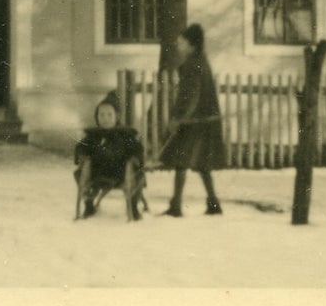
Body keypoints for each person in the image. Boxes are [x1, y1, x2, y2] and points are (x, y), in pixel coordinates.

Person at [159, 23, 226, 216]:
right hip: (205, 121)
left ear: (191, 45)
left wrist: (178, 119)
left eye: (181, 42)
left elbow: (191, 96)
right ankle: (213, 203)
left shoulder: (191, 65)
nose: (177, 45)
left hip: (194, 122)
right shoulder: (201, 62)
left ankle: (176, 206)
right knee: (202, 163)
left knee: (181, 161)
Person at [73, 91, 146, 219]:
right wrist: (81, 155)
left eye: (109, 115)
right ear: (97, 117)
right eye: (101, 115)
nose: (105, 118)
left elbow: (137, 148)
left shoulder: (125, 134)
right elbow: (81, 147)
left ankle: (133, 205)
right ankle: (88, 203)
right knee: (80, 173)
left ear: (116, 117)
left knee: (139, 174)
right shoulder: (93, 135)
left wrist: (135, 158)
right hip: (97, 173)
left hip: (122, 173)